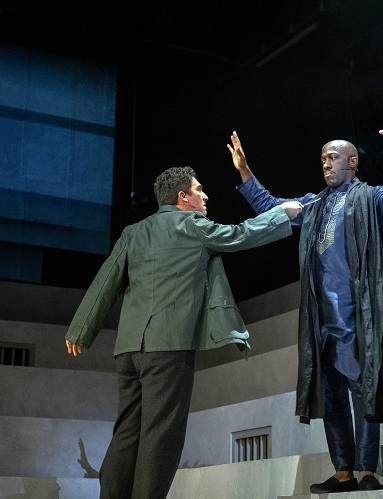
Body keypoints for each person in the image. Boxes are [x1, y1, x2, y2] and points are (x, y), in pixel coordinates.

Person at [65, 166, 303, 499]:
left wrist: (80, 330)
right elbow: (240, 235)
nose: (205, 196)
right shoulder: (192, 226)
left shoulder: (133, 233)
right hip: (169, 347)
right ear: (183, 197)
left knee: (127, 432)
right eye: (199, 189)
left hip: (129, 349)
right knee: (160, 436)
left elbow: (105, 282)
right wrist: (280, 214)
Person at [227, 108, 383, 493]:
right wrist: (245, 172)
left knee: (363, 393)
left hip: (354, 316)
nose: (326, 165)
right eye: (322, 160)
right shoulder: (313, 204)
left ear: (352, 162)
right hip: (319, 320)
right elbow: (272, 208)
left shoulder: (368, 197)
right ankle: (343, 471)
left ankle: (366, 471)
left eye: (332, 158)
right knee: (330, 397)